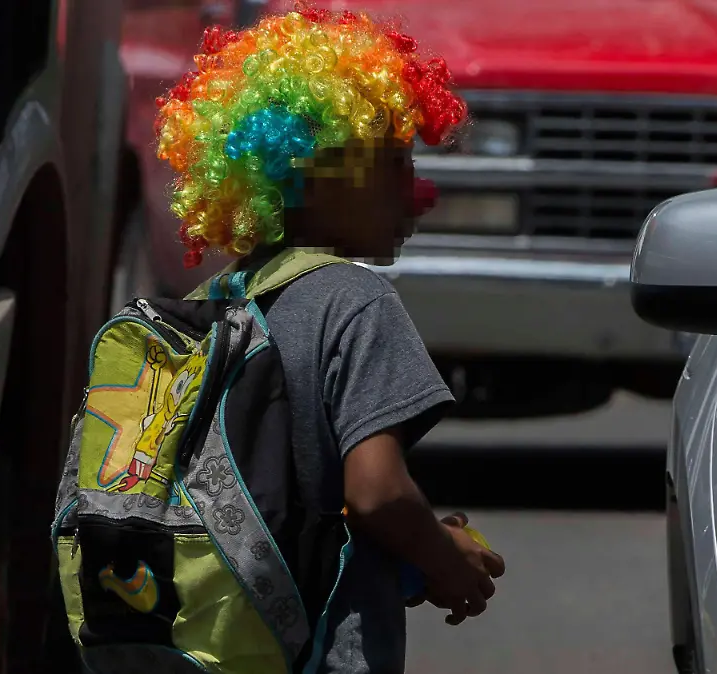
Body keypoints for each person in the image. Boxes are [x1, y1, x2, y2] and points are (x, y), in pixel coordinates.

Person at [153, 5, 506, 672]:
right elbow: (376, 492)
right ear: (310, 171)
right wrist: (446, 562)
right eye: (393, 166)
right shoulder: (356, 298)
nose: (417, 195)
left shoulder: (209, 303)